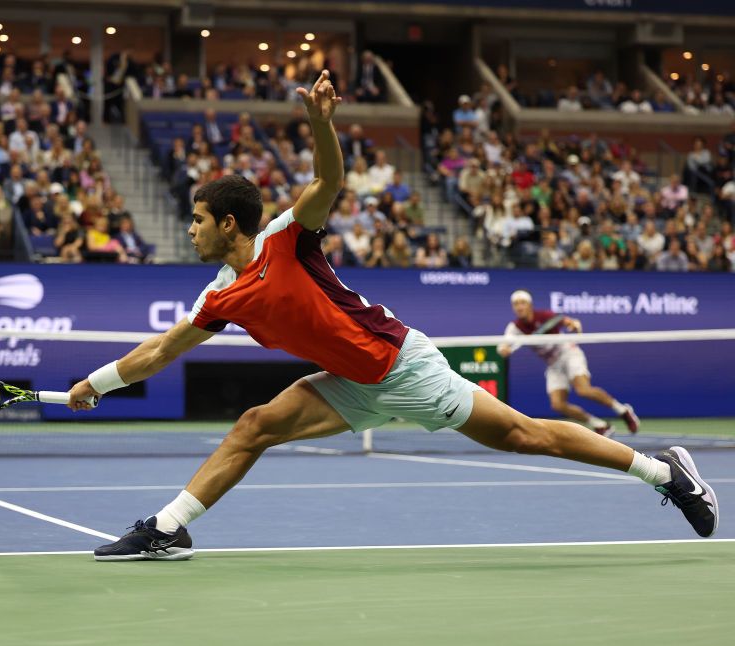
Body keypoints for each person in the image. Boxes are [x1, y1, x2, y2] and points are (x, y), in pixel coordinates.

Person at [67, 71, 718, 561]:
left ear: (228, 223)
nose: (191, 229)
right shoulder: (219, 296)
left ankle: (665, 471)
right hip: (349, 382)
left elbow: (326, 184)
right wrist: (93, 385)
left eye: (199, 220)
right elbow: (157, 351)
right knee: (255, 425)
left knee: (526, 434)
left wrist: (321, 123)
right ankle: (169, 527)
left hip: (400, 364)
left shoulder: (287, 239)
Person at [497, 289, 640, 437]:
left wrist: (573, 325)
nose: (519, 307)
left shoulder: (545, 316)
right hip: (553, 364)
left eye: (522, 303)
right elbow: (502, 347)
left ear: (530, 305)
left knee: (583, 390)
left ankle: (623, 411)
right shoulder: (515, 328)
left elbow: (568, 322)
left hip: (568, 353)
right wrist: (504, 350)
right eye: (516, 304)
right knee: (558, 404)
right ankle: (600, 424)